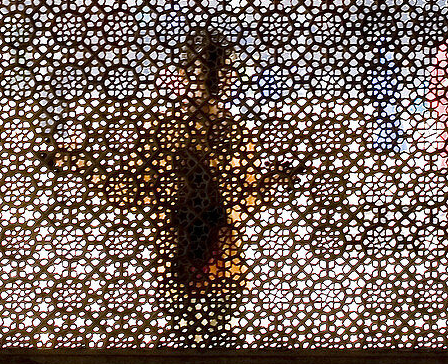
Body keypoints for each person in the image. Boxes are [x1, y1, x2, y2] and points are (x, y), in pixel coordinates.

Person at [41, 29, 302, 344]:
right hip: (192, 258)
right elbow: (136, 185)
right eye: (205, 71)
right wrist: (78, 165)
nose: (211, 80)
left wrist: (276, 180)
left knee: (203, 332)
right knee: (195, 331)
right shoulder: (179, 133)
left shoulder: (220, 134)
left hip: (208, 259)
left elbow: (242, 194)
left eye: (214, 71)